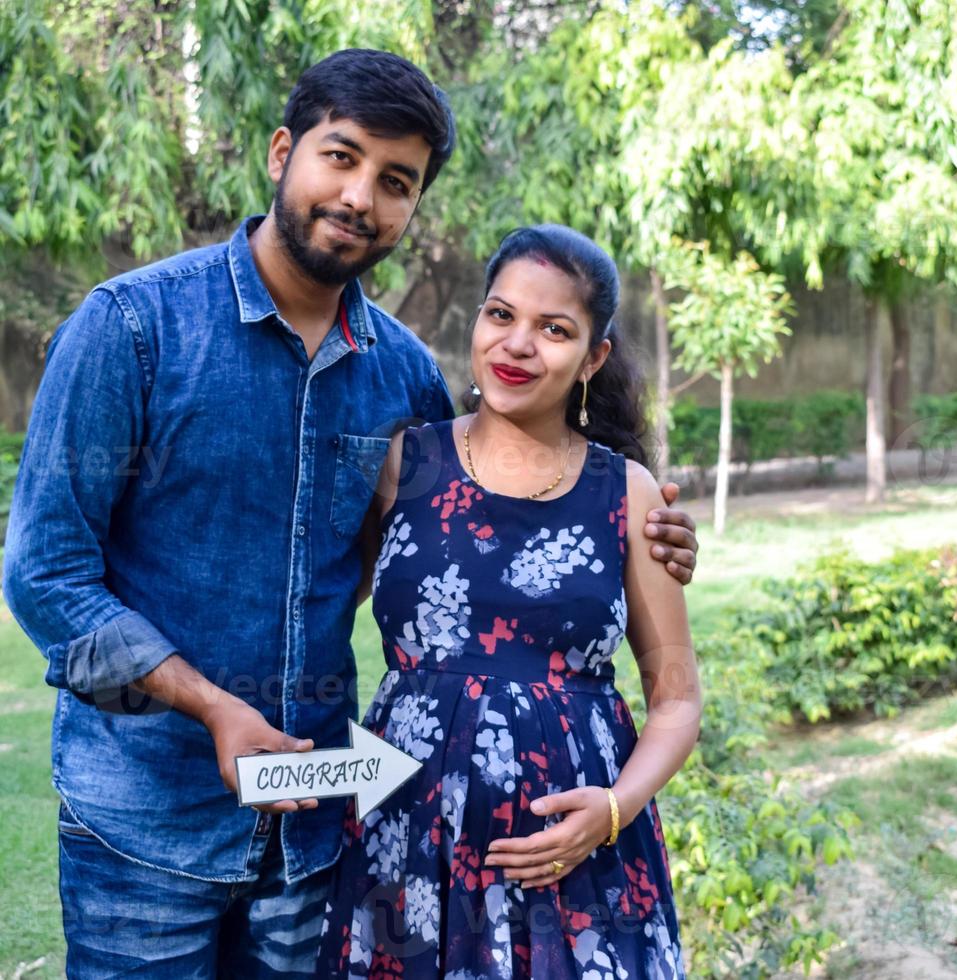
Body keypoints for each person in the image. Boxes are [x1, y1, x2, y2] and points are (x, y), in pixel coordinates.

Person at [2, 50, 699, 977]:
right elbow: (43, 574)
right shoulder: (133, 329)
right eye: (342, 156)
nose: (361, 195)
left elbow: (459, 528)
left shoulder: (402, 377)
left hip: (322, 837)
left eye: (395, 181)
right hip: (144, 825)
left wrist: (637, 525)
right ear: (282, 151)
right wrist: (211, 708)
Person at [315, 224, 701, 979]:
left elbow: (678, 702)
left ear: (594, 358)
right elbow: (318, 597)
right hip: (405, 841)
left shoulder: (625, 494)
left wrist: (614, 810)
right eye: (501, 315)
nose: (518, 344)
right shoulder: (405, 464)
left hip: (573, 861)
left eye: (554, 329)